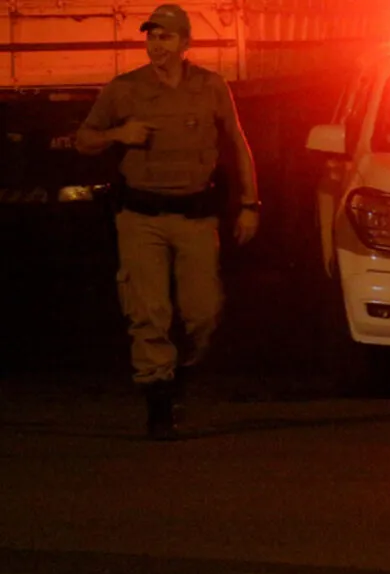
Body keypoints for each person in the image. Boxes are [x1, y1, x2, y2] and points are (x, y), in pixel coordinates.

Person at [76, 4, 260, 441]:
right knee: (149, 312)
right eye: (152, 36)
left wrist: (251, 203)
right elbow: (84, 138)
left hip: (195, 215)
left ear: (184, 43)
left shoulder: (210, 87)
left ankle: (182, 374)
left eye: (166, 37)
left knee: (203, 312)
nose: (156, 45)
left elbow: (237, 142)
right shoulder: (125, 90)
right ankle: (158, 402)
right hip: (141, 217)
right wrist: (118, 135)